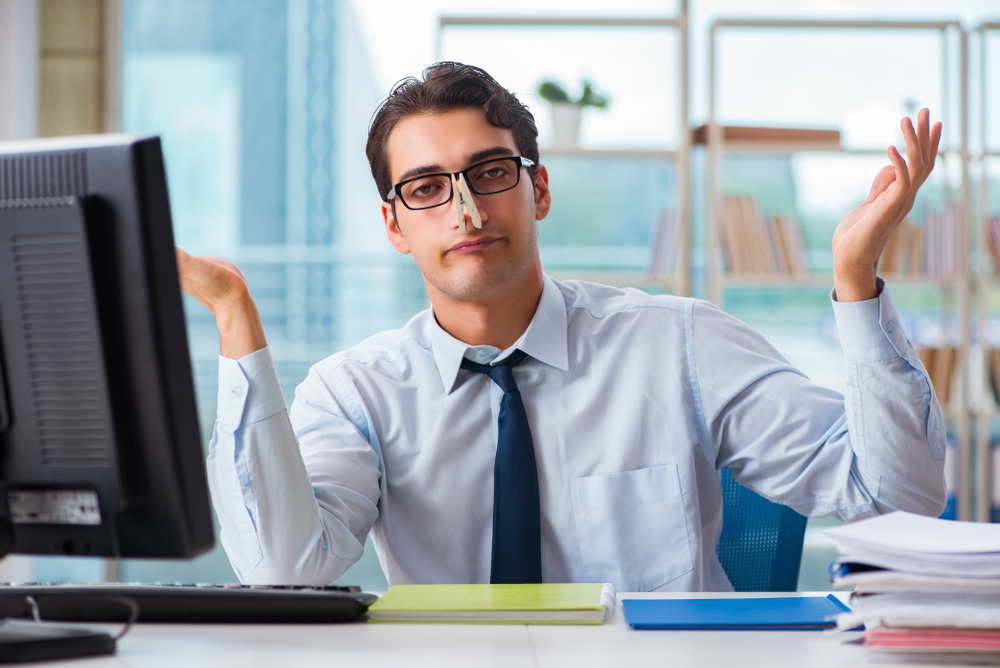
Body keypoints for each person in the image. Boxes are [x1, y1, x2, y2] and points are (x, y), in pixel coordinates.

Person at [177, 62, 946, 591]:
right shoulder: (355, 394)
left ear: (538, 189)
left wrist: (855, 281)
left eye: (490, 173)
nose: (466, 212)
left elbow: (896, 496)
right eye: (427, 188)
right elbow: (283, 566)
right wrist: (234, 313)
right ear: (393, 227)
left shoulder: (678, 345)